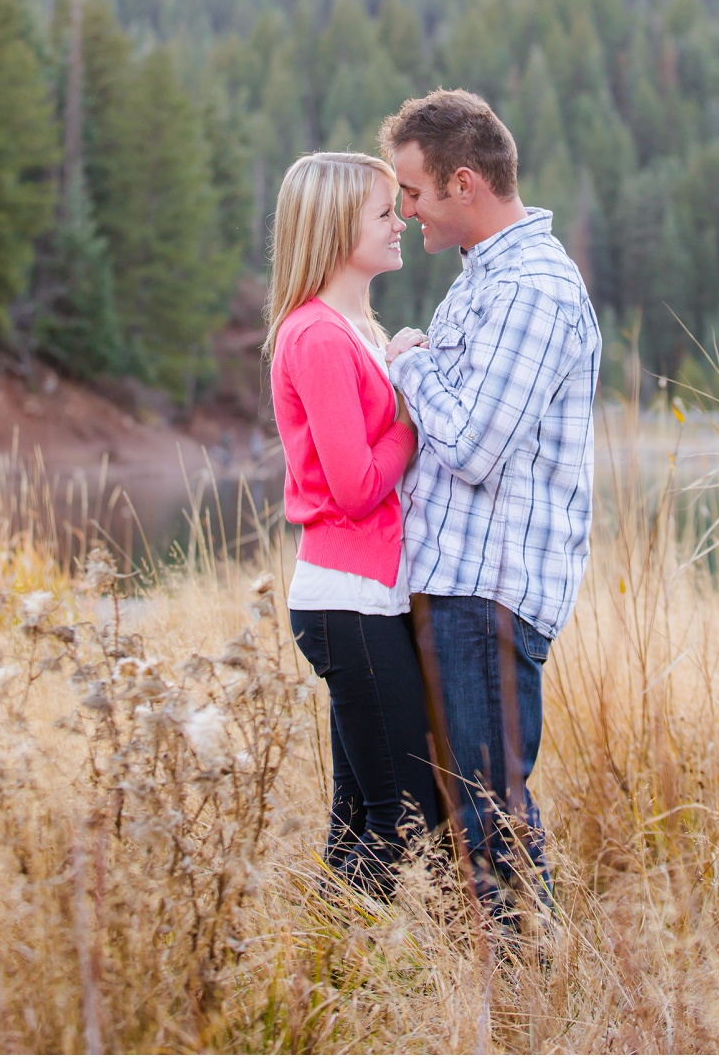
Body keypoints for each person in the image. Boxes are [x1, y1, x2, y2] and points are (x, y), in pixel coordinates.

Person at [379, 89, 600, 914]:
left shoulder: (533, 289)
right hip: (457, 587)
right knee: (457, 816)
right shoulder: (484, 282)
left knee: (488, 817)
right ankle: (485, 1003)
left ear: (463, 182)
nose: (407, 212)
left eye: (415, 192)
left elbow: (471, 447)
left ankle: (526, 1012)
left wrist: (408, 361)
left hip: (489, 594)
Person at [266, 151, 441, 894]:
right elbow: (358, 484)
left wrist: (394, 358)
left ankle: (325, 980)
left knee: (359, 817)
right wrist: (410, 411)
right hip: (349, 601)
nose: (400, 222)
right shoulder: (318, 338)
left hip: (367, 597)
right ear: (339, 229)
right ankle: (332, 978)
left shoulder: (358, 331)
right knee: (402, 815)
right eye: (382, 213)